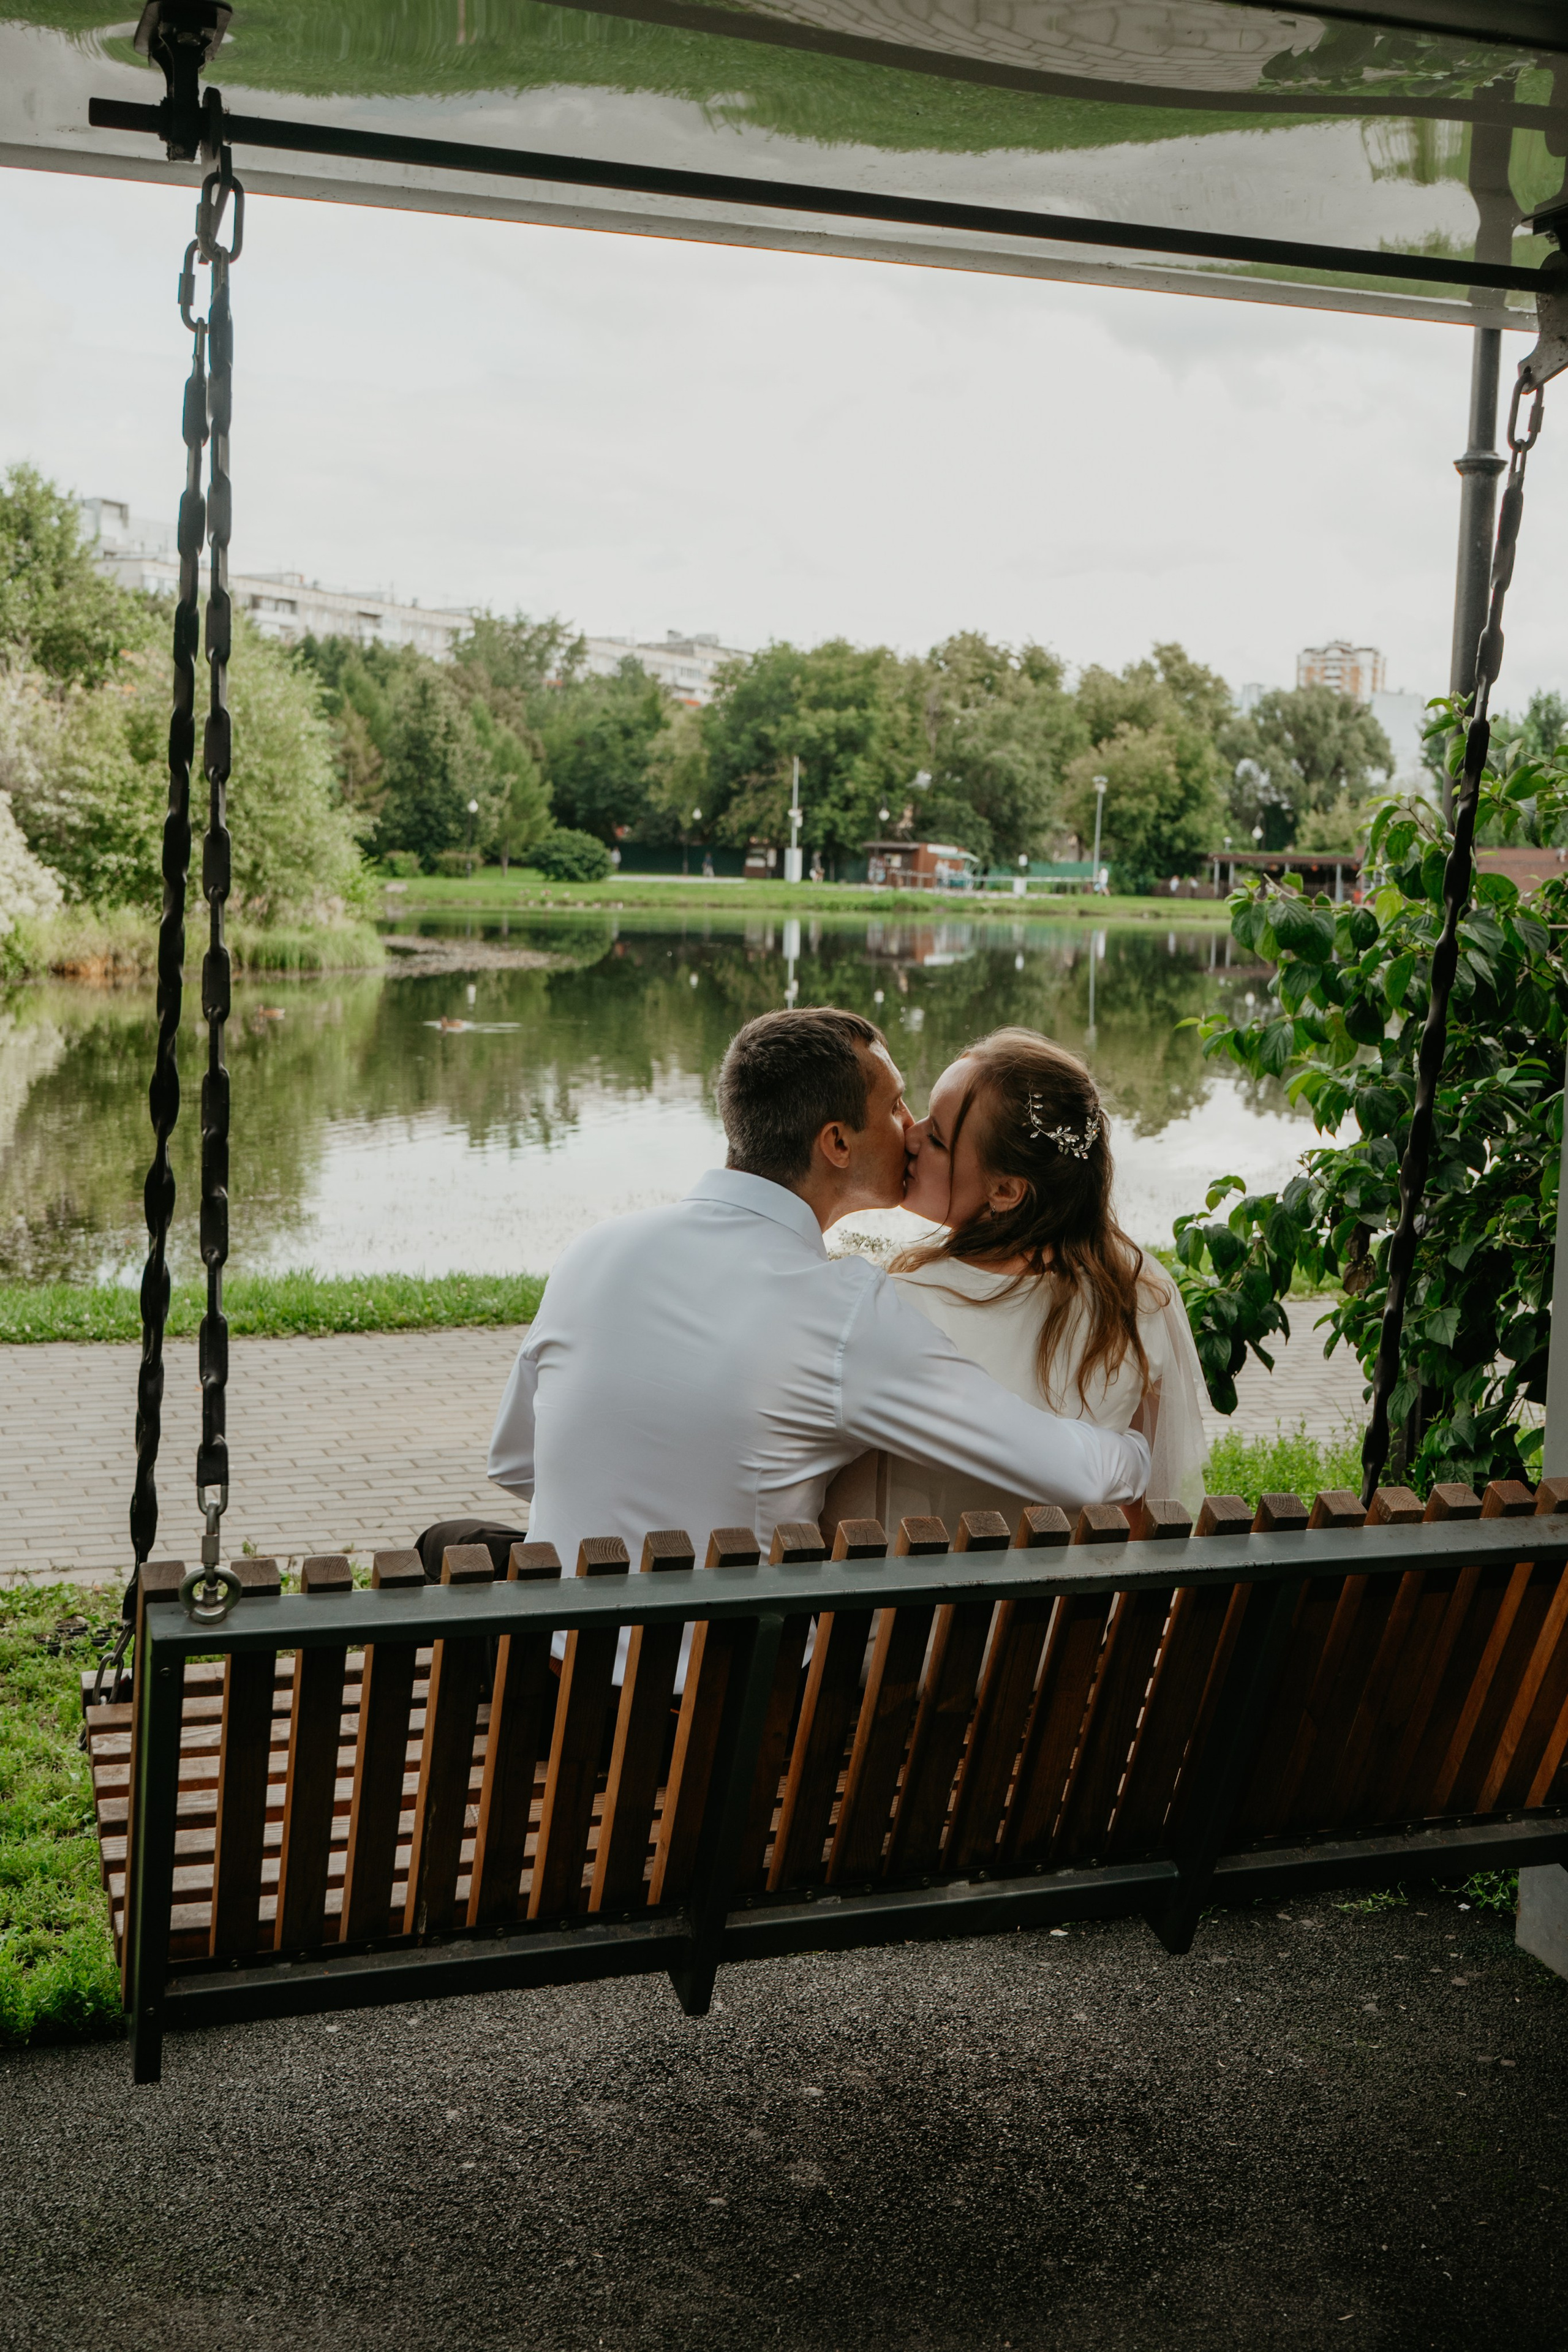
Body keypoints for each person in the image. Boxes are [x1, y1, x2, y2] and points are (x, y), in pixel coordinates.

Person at [417, 1008, 1150, 1591]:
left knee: (449, 1543)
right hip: (721, 1697)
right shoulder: (840, 1313)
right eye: (897, 1107)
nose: (912, 1131)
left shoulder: (594, 1250)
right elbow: (1077, 1475)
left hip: (563, 1667)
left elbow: (517, 1462)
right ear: (836, 1141)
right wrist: (1139, 1448)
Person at [847, 1027, 1206, 1532]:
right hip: (1071, 1608)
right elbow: (1142, 1505)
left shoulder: (902, 1303)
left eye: (937, 1139)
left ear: (1007, 1190)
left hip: (931, 1607)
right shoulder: (1138, 1293)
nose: (910, 1135)